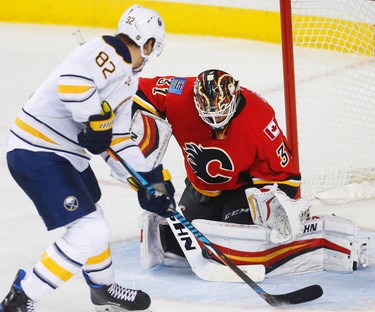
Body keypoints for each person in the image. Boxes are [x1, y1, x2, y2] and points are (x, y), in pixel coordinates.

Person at [0, 4, 175, 312]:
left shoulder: (127, 79)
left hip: (65, 154)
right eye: (152, 45)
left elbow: (117, 141)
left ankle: (103, 289)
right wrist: (94, 119)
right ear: (148, 44)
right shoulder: (108, 52)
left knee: (94, 220)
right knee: (90, 231)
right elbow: (72, 84)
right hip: (37, 149)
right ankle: (20, 297)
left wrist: (150, 181)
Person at [130, 69, 369, 279]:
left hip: (242, 193)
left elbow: (286, 173)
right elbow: (137, 89)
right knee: (177, 243)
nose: (215, 123)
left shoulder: (259, 116)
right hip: (201, 188)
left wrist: (283, 208)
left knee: (235, 247)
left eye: (221, 115)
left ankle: (309, 240)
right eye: (208, 115)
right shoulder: (179, 93)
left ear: (234, 99)